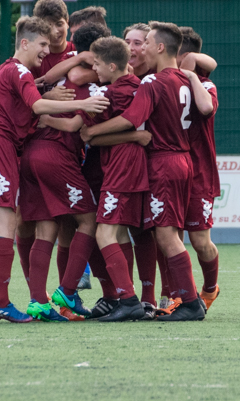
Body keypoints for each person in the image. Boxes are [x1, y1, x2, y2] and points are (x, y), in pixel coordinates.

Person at [0, 16, 108, 324]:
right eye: (42, 44)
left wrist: (44, 94)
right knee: (7, 222)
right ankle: (0, 301)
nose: (46, 51)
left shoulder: (5, 69)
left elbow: (31, 99)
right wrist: (83, 105)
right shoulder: (20, 70)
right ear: (25, 42)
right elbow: (36, 107)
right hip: (0, 147)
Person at [81, 21, 207, 321]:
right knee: (165, 234)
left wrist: (92, 131)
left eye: (146, 42)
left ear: (160, 47)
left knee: (166, 236)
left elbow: (131, 118)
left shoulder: (153, 81)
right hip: (183, 160)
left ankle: (189, 302)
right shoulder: (184, 79)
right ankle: (182, 299)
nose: (140, 48)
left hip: (163, 163)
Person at [85, 36, 150, 321]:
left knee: (104, 233)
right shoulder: (141, 86)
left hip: (121, 167)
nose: (94, 69)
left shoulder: (109, 95)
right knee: (121, 233)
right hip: (136, 165)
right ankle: (130, 295)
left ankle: (128, 299)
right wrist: (135, 136)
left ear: (112, 66)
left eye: (97, 64)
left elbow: (87, 135)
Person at [177, 27, 220, 311]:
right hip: (169, 170)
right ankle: (183, 294)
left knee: (200, 241)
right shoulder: (161, 81)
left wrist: (191, 73)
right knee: (169, 237)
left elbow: (206, 109)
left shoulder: (206, 85)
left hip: (199, 173)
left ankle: (210, 288)